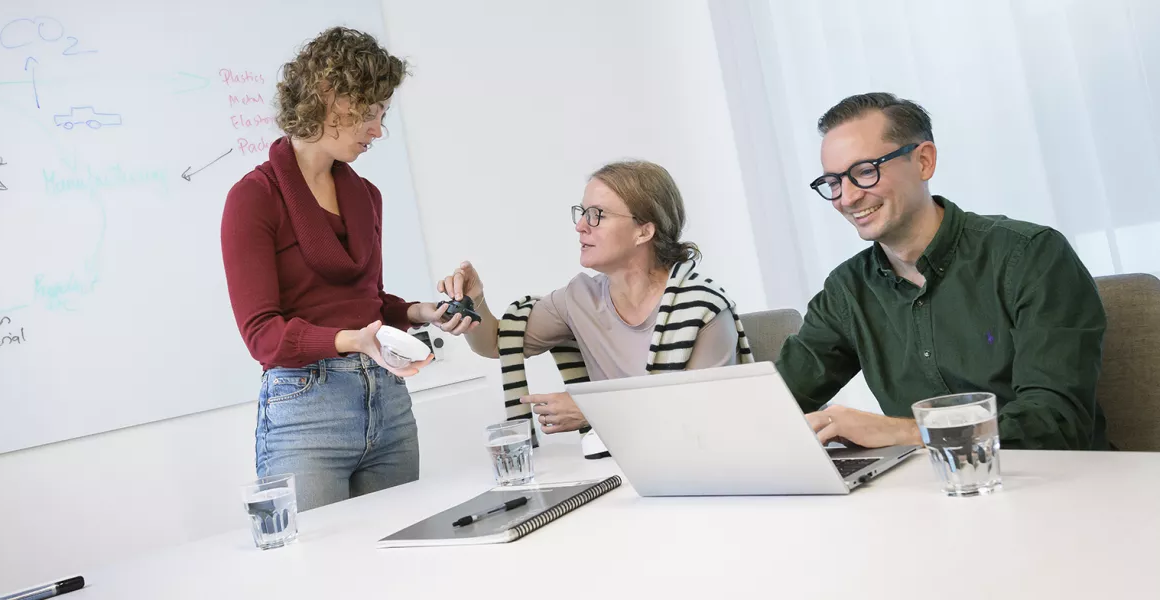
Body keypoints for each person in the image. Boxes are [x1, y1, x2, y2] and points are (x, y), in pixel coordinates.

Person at [220, 27, 478, 510]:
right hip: (306, 410)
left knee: (401, 550)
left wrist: (423, 312)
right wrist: (354, 340)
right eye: (371, 111)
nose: (378, 130)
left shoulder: (366, 196)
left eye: (382, 114)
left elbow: (369, 304)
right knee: (319, 557)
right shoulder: (253, 198)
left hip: (388, 400)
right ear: (329, 94)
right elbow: (262, 336)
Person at [776, 92, 1109, 451]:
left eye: (865, 172)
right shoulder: (847, 290)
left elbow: (1056, 423)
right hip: (929, 485)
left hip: (1056, 478)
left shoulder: (1032, 255)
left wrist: (906, 433)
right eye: (833, 182)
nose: (847, 198)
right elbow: (775, 403)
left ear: (924, 161)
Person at [440, 160, 753, 435]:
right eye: (582, 213)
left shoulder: (703, 309)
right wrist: (475, 299)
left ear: (644, 231)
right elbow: (497, 342)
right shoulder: (580, 300)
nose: (580, 227)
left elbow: (706, 420)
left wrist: (596, 411)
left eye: (597, 215)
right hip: (620, 469)